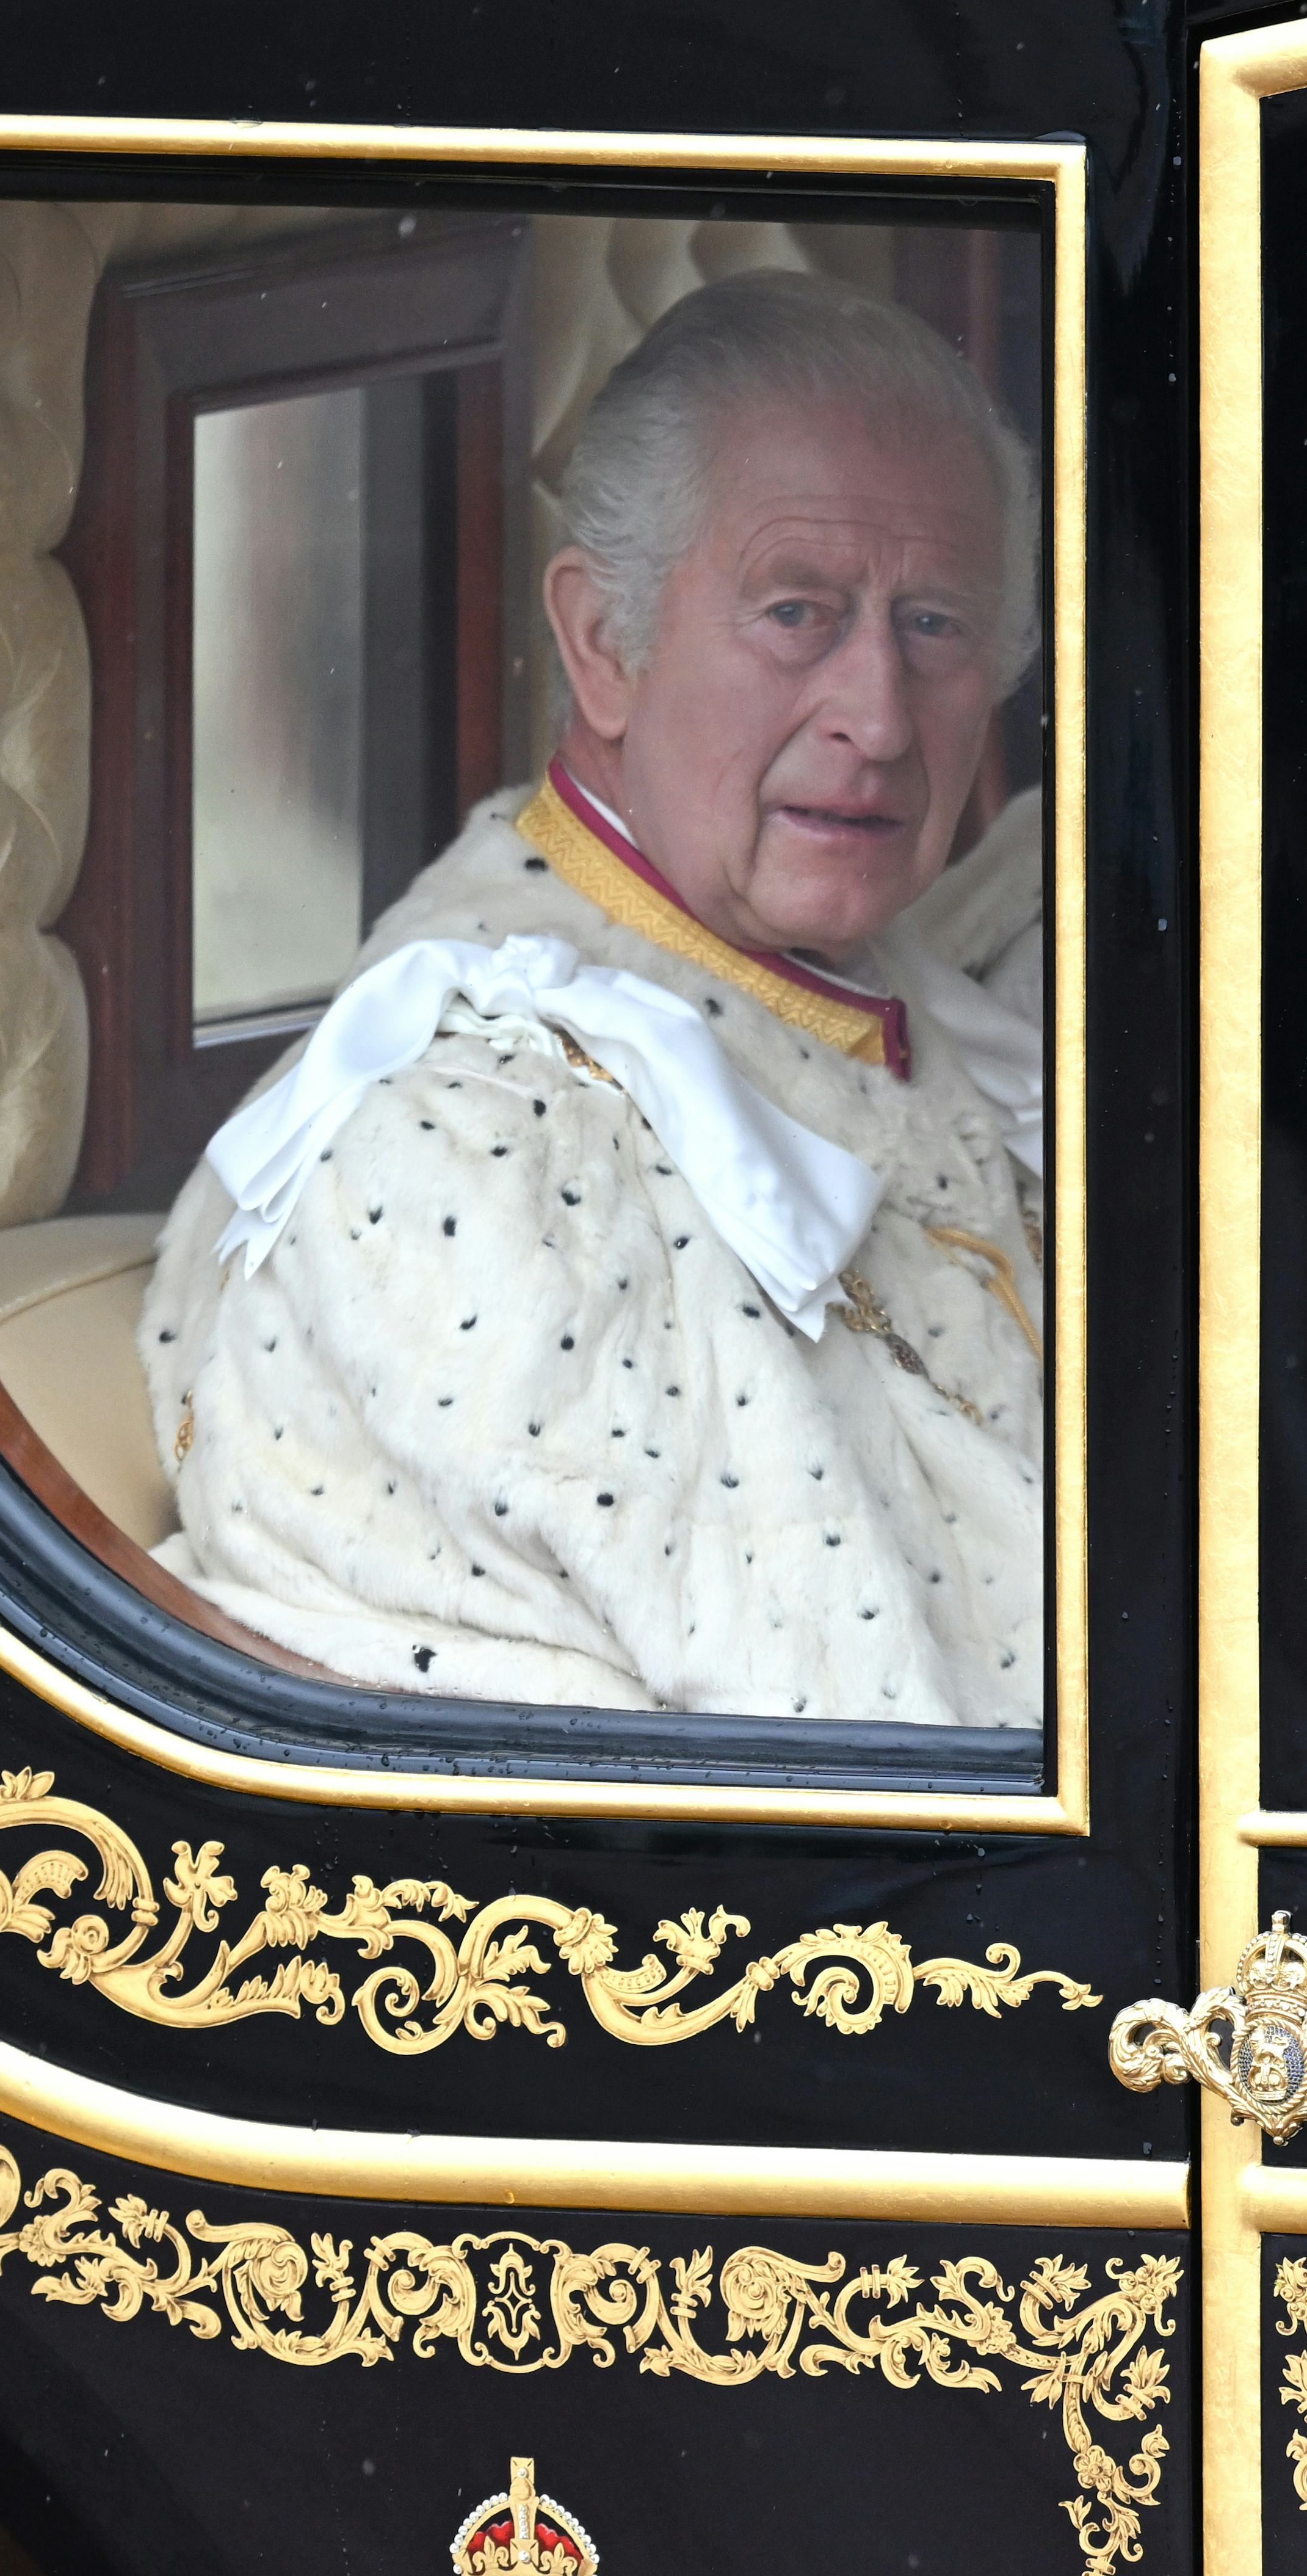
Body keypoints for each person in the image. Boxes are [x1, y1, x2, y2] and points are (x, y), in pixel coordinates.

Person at [140, 272, 1048, 1724]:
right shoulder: (473, 1161)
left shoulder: (909, 982)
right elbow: (834, 1764)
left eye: (934, 625)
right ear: (604, 643)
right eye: (796, 613)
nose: (878, 719)